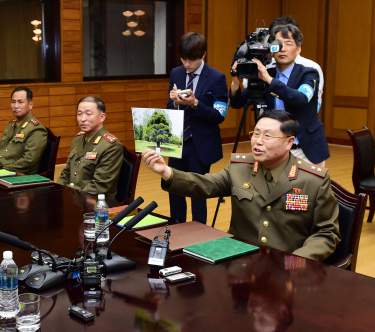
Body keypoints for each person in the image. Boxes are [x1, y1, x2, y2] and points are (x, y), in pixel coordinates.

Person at [142, 110, 340, 262]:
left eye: (267, 136)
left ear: (289, 142)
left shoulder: (313, 180)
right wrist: (166, 172)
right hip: (240, 262)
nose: (257, 142)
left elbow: (326, 233)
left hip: (285, 268)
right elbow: (206, 185)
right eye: (255, 134)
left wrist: (295, 263)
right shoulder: (240, 168)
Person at [230, 24, 329, 166]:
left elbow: (300, 99)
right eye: (277, 44)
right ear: (271, 50)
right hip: (275, 150)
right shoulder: (266, 74)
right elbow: (237, 102)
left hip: (305, 150)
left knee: (308, 188)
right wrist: (235, 81)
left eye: (288, 43)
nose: (282, 48)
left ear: (298, 49)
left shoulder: (309, 73)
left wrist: (269, 80)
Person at [167, 32, 229, 224]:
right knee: (174, 187)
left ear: (203, 55)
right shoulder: (176, 73)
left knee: (197, 192)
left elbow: (219, 115)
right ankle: (176, 229)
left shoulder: (217, 77)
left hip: (200, 144)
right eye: (183, 59)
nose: (187, 64)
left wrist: (195, 103)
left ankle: (198, 234)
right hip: (177, 141)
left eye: (192, 60)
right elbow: (170, 108)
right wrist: (174, 102)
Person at [57, 96, 123, 199]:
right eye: (79, 114)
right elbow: (66, 173)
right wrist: (58, 191)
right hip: (74, 196)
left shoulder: (111, 145)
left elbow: (99, 186)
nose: (83, 119)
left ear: (102, 117)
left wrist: (70, 198)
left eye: (88, 114)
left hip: (94, 202)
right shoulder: (78, 139)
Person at [0, 87, 47, 174]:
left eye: (20, 102)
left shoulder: (36, 129)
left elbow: (28, 161)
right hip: (2, 172)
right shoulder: (10, 125)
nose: (16, 106)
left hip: (18, 176)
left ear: (30, 105)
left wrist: (3, 171)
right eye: (13, 102)